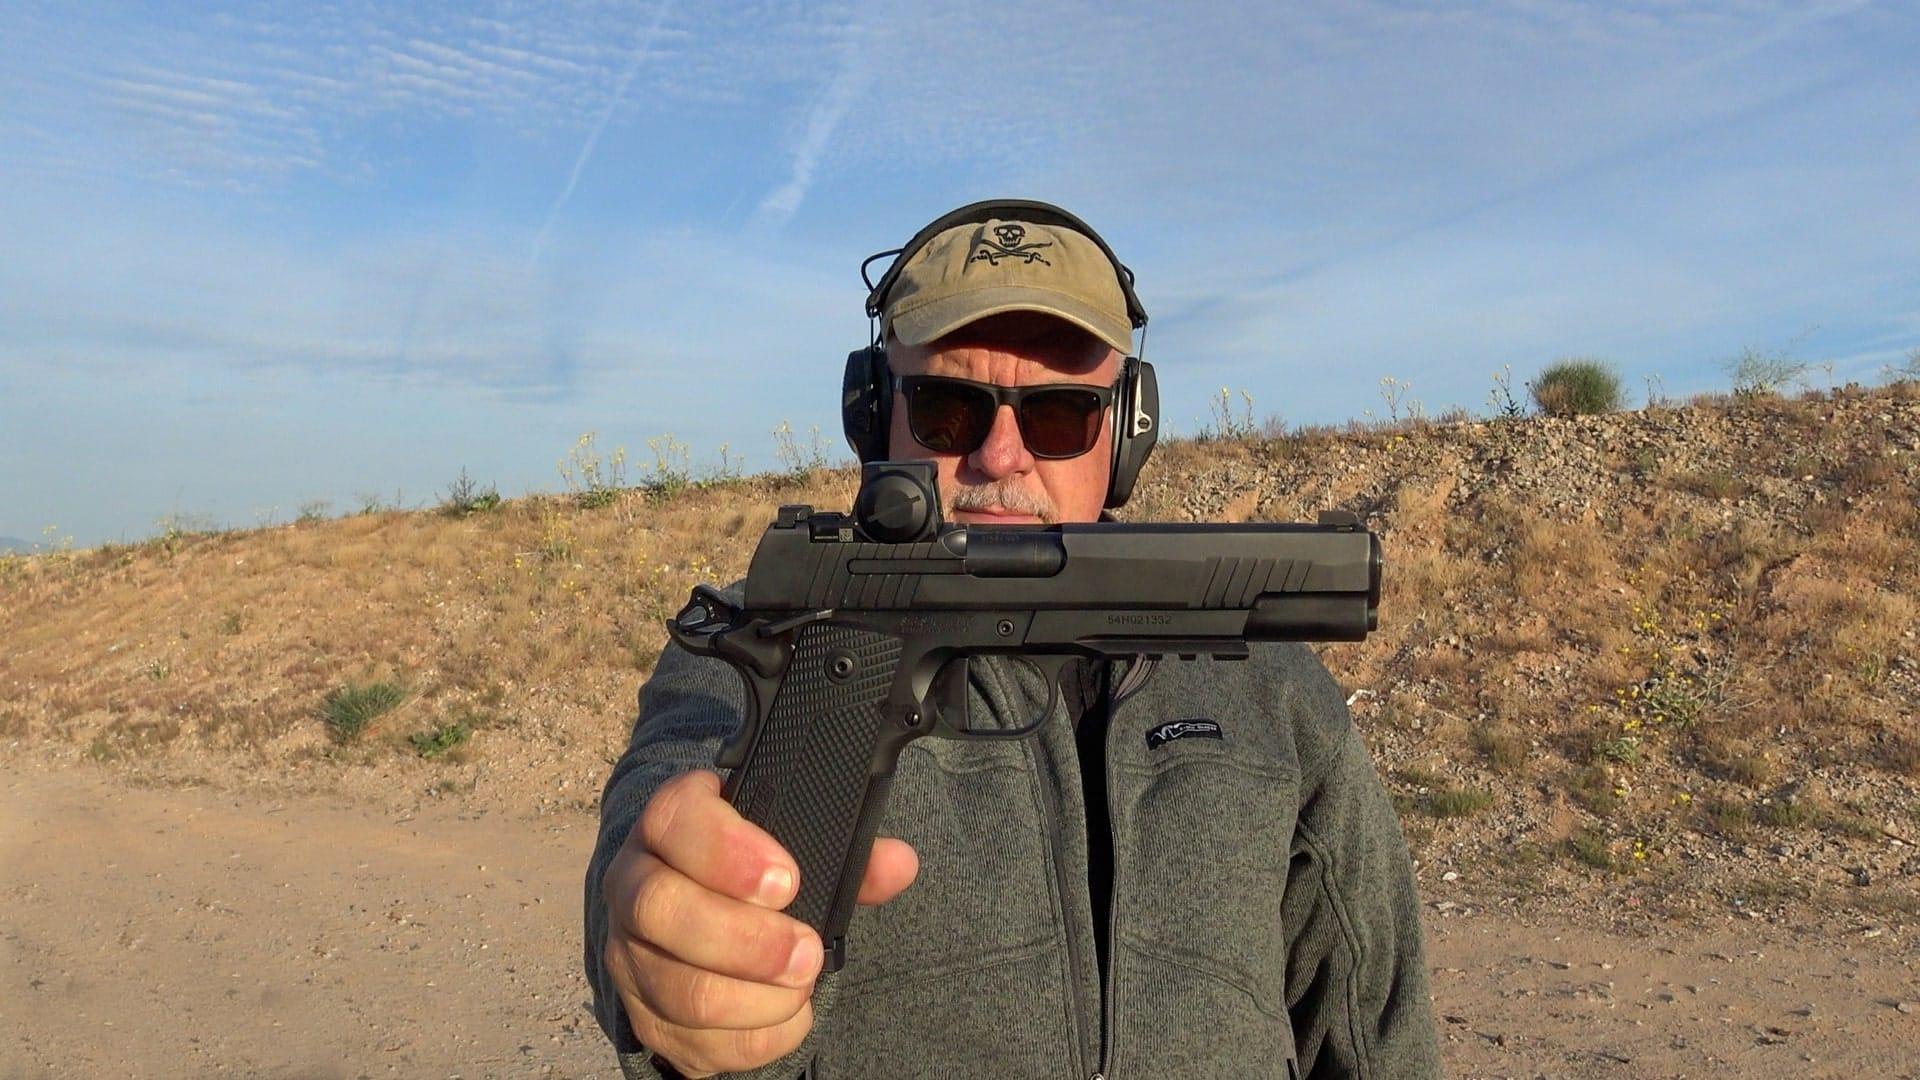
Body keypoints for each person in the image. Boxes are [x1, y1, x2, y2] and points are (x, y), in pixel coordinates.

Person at [584, 200, 1440, 1079]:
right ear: (875, 414)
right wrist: (670, 940)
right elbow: (665, 815)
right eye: (949, 410)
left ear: (1126, 431)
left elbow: (1375, 1026)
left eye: (1060, 414)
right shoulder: (799, 631)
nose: (1000, 456)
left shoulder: (1268, 687)